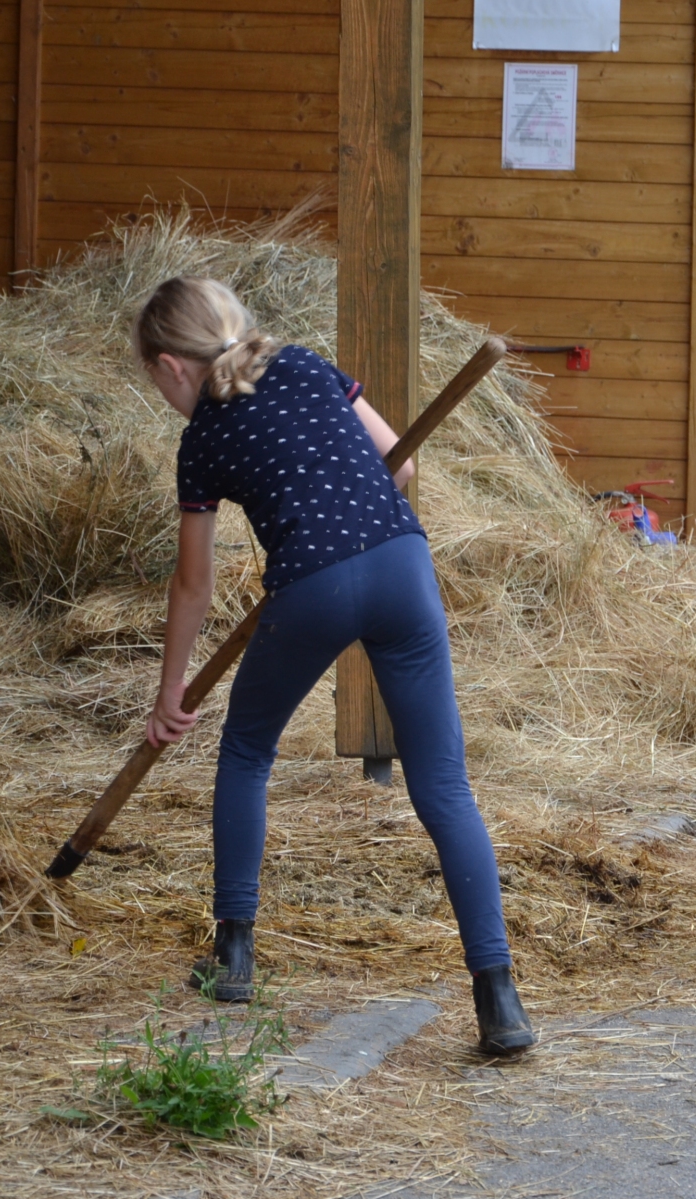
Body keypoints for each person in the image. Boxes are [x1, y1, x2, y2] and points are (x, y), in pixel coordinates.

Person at [134, 276, 537, 1054]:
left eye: (156, 382)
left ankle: (234, 955)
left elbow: (193, 583)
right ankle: (500, 999)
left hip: (311, 589)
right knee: (444, 787)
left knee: (246, 750)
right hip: (402, 571)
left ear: (170, 367)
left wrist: (170, 690)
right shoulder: (305, 364)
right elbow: (400, 467)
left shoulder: (202, 441)